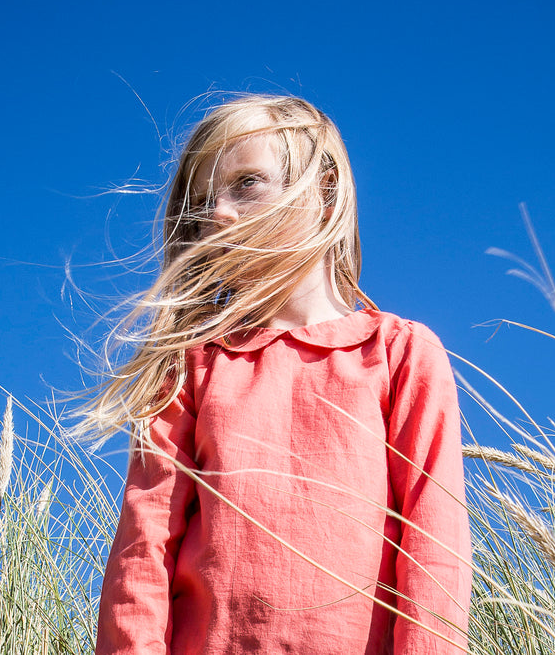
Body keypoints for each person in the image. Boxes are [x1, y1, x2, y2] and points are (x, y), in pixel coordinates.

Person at [83, 94, 472, 654]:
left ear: (325, 188)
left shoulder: (398, 353)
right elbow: (143, 553)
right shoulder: (193, 363)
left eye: (246, 183)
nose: (216, 212)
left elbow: (435, 546)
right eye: (200, 200)